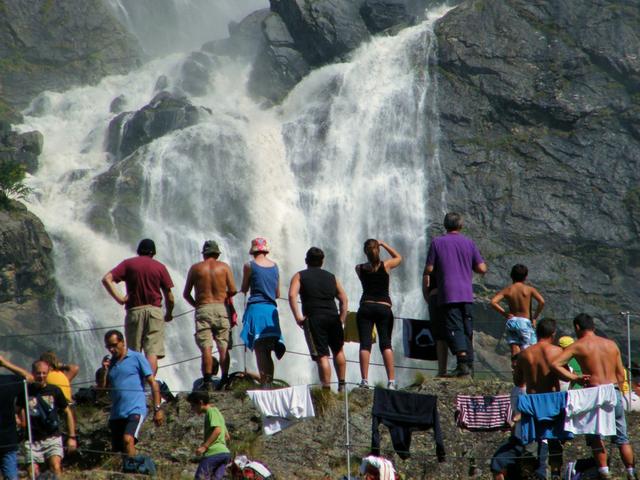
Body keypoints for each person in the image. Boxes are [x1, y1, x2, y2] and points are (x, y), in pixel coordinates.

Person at [551, 314, 637, 480]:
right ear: (593, 326)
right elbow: (621, 373)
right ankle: (631, 472)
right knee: (622, 438)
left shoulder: (578, 346)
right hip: (613, 390)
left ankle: (604, 471)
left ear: (577, 328)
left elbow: (555, 364)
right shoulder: (611, 345)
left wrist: (574, 378)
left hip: (593, 391)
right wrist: (617, 390)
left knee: (596, 435)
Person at [423, 212, 487, 377]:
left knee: (454, 327)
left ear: (445, 225)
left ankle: (462, 363)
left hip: (448, 293)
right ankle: (469, 364)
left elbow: (429, 270)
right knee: (467, 328)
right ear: (461, 225)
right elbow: (482, 268)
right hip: (466, 293)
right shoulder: (469, 243)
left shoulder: (437, 243)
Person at [102, 238, 175, 375]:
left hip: (134, 311)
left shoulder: (128, 264)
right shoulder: (159, 267)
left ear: (138, 251)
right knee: (152, 352)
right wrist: (169, 313)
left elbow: (107, 279)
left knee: (134, 351)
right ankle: (149, 383)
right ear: (153, 253)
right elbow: (169, 297)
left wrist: (120, 299)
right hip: (154, 311)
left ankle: (135, 383)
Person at [288, 247, 348, 391]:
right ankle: (342, 385)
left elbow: (291, 295)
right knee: (338, 350)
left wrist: (298, 317)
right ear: (322, 262)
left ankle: (326, 391)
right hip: (333, 317)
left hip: (314, 318)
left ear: (306, 260)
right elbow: (344, 299)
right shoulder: (332, 277)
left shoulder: (299, 276)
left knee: (322, 356)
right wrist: (341, 318)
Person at [98, 329, 164, 457]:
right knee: (118, 451)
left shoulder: (136, 357)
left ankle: (133, 470)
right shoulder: (110, 364)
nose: (111, 349)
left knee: (128, 440)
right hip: (117, 413)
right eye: (108, 347)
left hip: (135, 409)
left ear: (122, 342)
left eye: (114, 345)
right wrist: (104, 370)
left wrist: (157, 409)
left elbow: (153, 383)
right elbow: (101, 392)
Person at [513, 318, 564, 480]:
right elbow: (566, 377)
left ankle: (527, 474)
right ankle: (555, 474)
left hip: (533, 401)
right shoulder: (558, 352)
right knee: (555, 441)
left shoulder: (525, 354)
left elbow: (518, 381)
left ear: (537, 333)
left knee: (531, 442)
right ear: (553, 334)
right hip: (552, 400)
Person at [183, 240, 238, 391]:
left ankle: (207, 381)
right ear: (217, 253)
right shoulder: (224, 267)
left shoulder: (196, 268)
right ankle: (225, 378)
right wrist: (222, 297)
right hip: (221, 308)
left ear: (204, 254)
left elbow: (186, 294)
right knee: (223, 346)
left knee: (206, 347)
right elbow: (233, 290)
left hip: (203, 308)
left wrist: (197, 305)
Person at [16, 360, 77, 478]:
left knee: (55, 466)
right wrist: (17, 420)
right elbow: (16, 409)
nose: (41, 376)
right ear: (33, 373)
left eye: (44, 373)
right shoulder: (25, 390)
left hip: (52, 437)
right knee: (33, 472)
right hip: (31, 439)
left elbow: (67, 412)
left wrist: (72, 437)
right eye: (38, 373)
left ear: (48, 372)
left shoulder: (55, 390)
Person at [355, 239, 402, 389]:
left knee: (365, 345)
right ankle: (391, 382)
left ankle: (364, 380)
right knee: (386, 344)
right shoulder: (386, 266)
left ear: (365, 252)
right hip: (384, 308)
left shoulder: (359, 268)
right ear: (378, 250)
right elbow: (399, 258)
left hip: (366, 307)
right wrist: (384, 244)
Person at [240, 237, 285, 387]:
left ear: (253, 251)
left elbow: (244, 288)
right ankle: (268, 383)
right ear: (265, 250)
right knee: (268, 351)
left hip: (257, 309)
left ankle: (265, 384)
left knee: (260, 350)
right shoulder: (275, 266)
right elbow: (277, 293)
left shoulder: (249, 266)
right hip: (271, 311)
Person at [490, 264, 545, 356]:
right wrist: (535, 317)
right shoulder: (529, 289)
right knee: (529, 349)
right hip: (524, 321)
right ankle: (525, 368)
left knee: (515, 348)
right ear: (526, 277)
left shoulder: (508, 290)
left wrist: (505, 314)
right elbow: (542, 302)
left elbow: (493, 302)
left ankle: (515, 367)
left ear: (511, 276)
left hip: (512, 321)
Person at [0, 356, 33, 480]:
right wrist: (6, 364)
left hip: (8, 441)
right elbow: (29, 378)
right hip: (8, 440)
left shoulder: (7, 382)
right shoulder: (8, 382)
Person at [187, 391, 231, 480]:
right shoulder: (218, 413)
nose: (192, 409)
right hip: (225, 454)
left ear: (200, 402)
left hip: (213, 453)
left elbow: (217, 430)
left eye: (193, 405)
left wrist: (204, 446)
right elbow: (227, 437)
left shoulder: (211, 412)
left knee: (200, 477)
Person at [422, 270, 447, 376]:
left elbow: (425, 283)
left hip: (435, 297)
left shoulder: (431, 261)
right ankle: (463, 365)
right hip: (452, 297)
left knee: (440, 337)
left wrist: (430, 300)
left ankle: (442, 370)